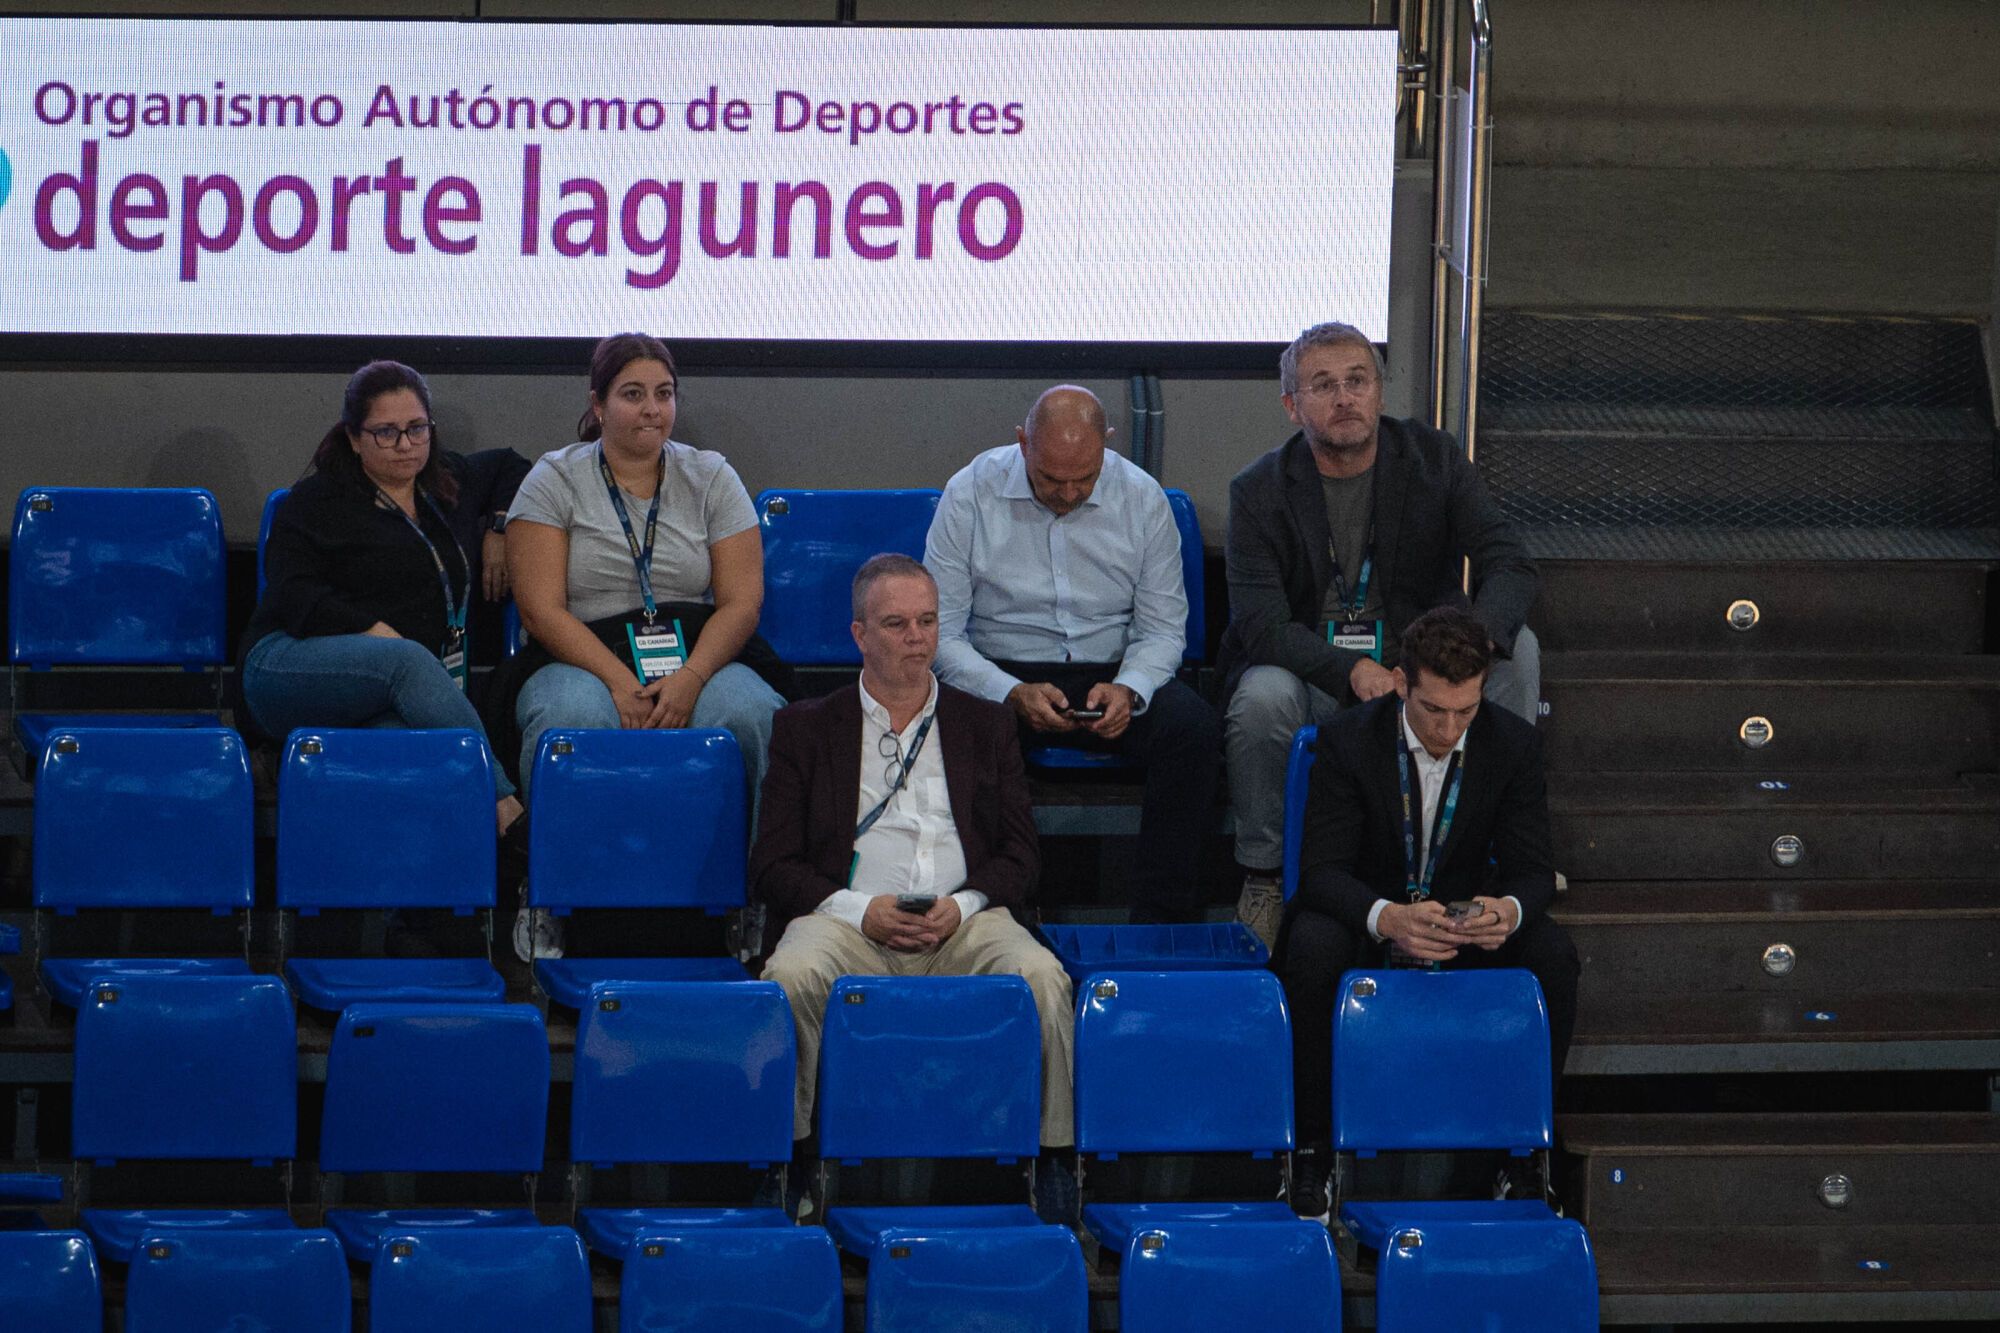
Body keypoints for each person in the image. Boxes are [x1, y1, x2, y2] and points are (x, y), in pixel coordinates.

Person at [753, 554, 1074, 1221]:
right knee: (788, 976)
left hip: (964, 920)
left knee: (1042, 976)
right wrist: (860, 910)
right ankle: (791, 1161)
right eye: (896, 623)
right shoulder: (806, 728)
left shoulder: (985, 724)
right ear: (859, 634)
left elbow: (1022, 856)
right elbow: (772, 864)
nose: (917, 638)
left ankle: (1051, 1165)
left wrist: (963, 904)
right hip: (847, 921)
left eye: (927, 621)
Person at [1220, 321, 1542, 947]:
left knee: (1519, 651)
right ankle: (1263, 873)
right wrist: (1350, 671)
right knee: (1261, 695)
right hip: (1321, 675)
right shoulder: (1257, 490)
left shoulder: (1434, 459)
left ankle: (1502, 862)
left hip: (1425, 672)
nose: (1344, 397)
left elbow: (1509, 562)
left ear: (1380, 394)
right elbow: (1260, 624)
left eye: (1358, 380)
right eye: (1323, 385)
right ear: (1292, 406)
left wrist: (1458, 652)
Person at [1275, 606, 1578, 1220]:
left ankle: (1520, 1156)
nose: (1448, 727)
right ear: (1401, 684)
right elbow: (1321, 873)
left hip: (1462, 925)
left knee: (1553, 956)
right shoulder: (1349, 740)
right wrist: (1387, 917)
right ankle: (1309, 1151)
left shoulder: (1513, 745)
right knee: (1309, 948)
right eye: (1433, 709)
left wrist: (1509, 911)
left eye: (1465, 711)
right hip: (1373, 914)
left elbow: (1533, 869)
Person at [500, 333, 787, 958]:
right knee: (571, 720)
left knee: (754, 716)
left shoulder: (711, 475)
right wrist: (616, 681)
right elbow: (541, 610)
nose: (652, 409)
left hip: (696, 652)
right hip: (579, 652)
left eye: (664, 394)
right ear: (598, 405)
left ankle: (757, 898)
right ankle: (548, 894)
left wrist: (690, 679)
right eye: (632, 395)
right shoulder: (554, 479)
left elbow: (741, 603)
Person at [924, 385, 1220, 923]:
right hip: (1000, 668)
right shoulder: (970, 492)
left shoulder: (1143, 497)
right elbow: (940, 635)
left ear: (1107, 445)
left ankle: (1161, 923)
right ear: (1022, 443)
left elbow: (1162, 630)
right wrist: (1009, 692)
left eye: (1084, 479)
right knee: (953, 730)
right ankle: (992, 914)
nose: (1066, 495)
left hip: (1111, 667)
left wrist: (1131, 688)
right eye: (1049, 479)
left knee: (1193, 731)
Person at [240, 359, 529, 836]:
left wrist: (499, 526)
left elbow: (512, 466)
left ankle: (410, 904)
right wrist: (368, 630)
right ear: (354, 437)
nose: (406, 445)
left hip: (393, 687)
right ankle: (506, 810)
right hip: (286, 663)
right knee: (406, 661)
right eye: (386, 432)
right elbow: (294, 594)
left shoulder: (446, 482)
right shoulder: (317, 502)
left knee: (401, 748)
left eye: (417, 429)